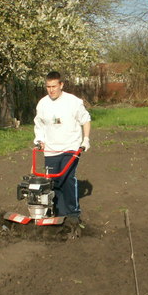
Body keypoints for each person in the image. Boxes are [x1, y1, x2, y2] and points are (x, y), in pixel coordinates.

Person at [33, 71, 91, 222]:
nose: (51, 90)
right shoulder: (43, 103)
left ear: (61, 85)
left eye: (54, 86)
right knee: (52, 182)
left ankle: (73, 214)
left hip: (70, 147)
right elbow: (39, 124)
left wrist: (86, 139)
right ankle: (58, 214)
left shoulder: (73, 102)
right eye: (48, 87)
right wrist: (39, 139)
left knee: (67, 178)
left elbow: (85, 120)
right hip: (51, 149)